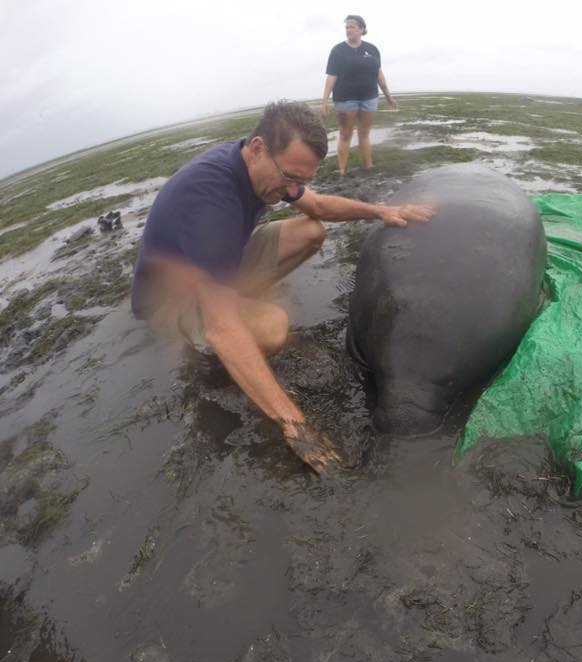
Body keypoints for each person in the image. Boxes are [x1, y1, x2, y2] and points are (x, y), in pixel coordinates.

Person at [130, 100, 432, 472]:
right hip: (169, 299)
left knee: (309, 231)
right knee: (272, 326)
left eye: (301, 181)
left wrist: (381, 210)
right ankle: (189, 338)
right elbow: (223, 328)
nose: (293, 189)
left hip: (220, 261)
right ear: (257, 148)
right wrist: (295, 425)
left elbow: (318, 206)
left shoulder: (263, 168)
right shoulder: (211, 198)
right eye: (289, 178)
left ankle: (236, 305)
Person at [322, 14, 397, 175]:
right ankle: (342, 171)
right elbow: (331, 77)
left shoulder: (372, 49)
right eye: (347, 27)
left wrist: (388, 96)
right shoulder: (338, 51)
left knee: (364, 134)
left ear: (361, 29)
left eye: (352, 27)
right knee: (345, 134)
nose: (348, 30)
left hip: (369, 98)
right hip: (345, 99)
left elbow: (379, 75)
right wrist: (325, 100)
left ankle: (368, 167)